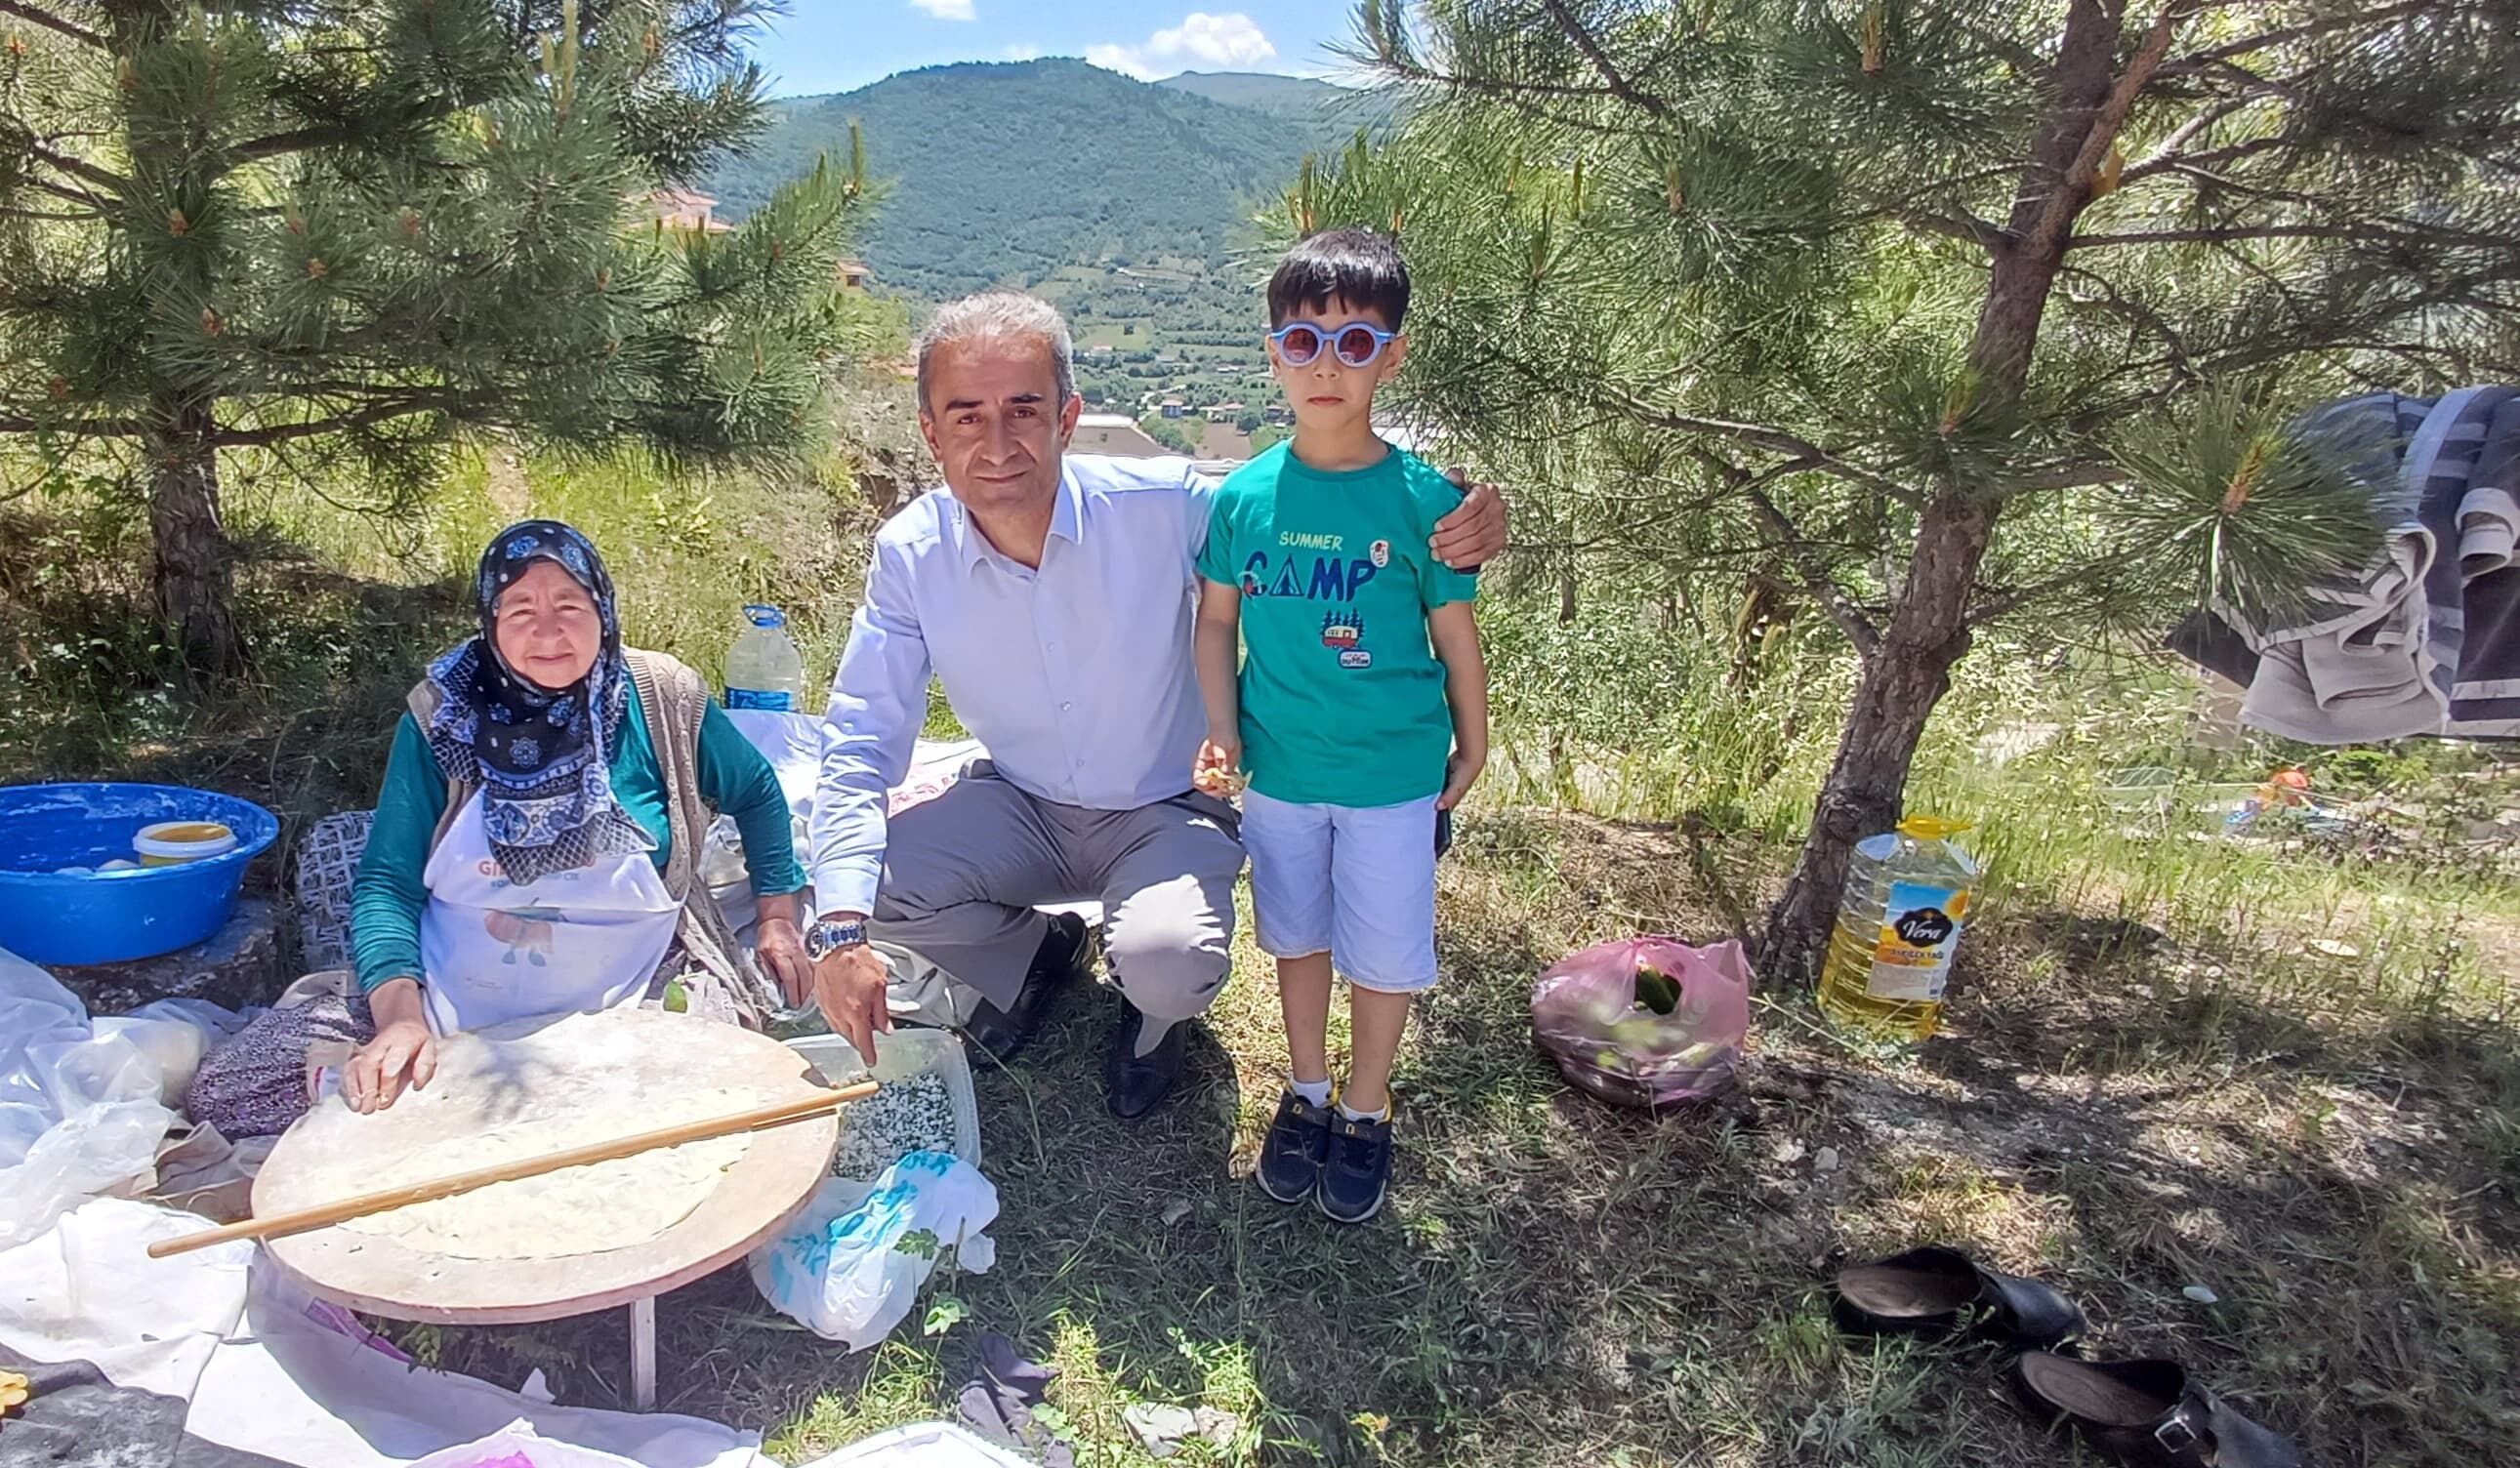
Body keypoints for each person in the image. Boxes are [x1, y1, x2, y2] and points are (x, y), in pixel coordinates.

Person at [803, 292, 1508, 1120]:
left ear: (1067, 418)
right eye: (966, 417)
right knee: (861, 885)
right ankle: (1034, 953)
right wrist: (838, 930)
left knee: (1170, 960)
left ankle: (1151, 1016)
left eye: (1023, 410)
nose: (997, 445)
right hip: (1021, 799)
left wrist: (1455, 504)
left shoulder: (1167, 508)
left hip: (1165, 806)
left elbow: (1318, 503)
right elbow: (858, 740)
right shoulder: (911, 555)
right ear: (931, 432)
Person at [188, 521, 813, 1135]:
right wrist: (401, 1020)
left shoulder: (662, 699)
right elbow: (386, 884)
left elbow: (758, 791)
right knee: (233, 1092)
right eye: (520, 611)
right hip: (453, 994)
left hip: (634, 986)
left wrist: (778, 916)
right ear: (490, 622)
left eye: (570, 604)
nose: (548, 632)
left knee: (719, 1097)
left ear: (604, 609)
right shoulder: (444, 713)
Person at [1189, 228, 1487, 1222]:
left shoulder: (1424, 498)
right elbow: (1217, 622)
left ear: (1391, 356)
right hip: (1278, 772)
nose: (1327, 365)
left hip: (1392, 777)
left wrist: (1475, 740)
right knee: (1299, 936)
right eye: (1303, 340)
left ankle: (1366, 1107)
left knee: (1387, 950)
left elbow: (1455, 634)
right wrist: (1223, 731)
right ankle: (1306, 1090)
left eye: (1355, 342)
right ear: (1272, 350)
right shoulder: (1243, 495)